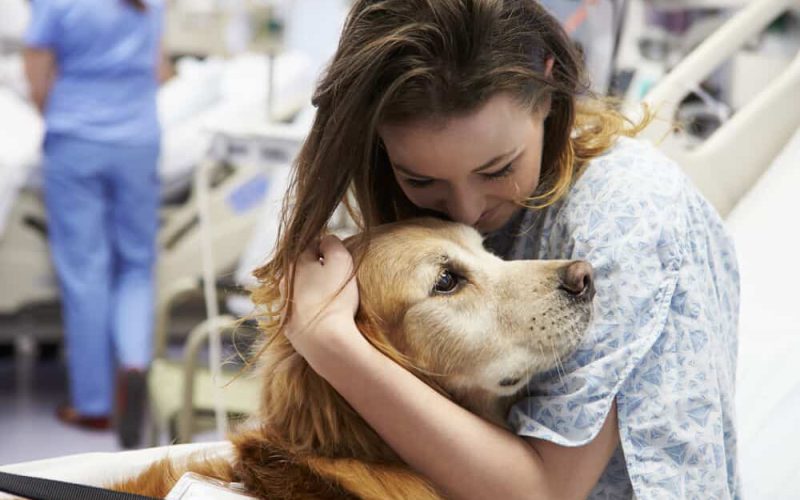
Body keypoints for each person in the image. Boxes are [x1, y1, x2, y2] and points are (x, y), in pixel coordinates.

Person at [257, 0, 740, 498]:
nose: (464, 211)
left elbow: (542, 492)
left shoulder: (629, 211)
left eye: (497, 169)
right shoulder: (405, 213)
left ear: (549, 89)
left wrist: (330, 345)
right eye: (420, 178)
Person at [23, 0, 165, 448]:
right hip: (139, 140)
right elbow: (159, 70)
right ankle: (136, 364)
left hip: (77, 137)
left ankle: (94, 405)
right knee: (137, 266)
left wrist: (61, 116)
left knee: (86, 271)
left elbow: (37, 74)